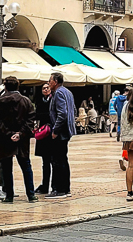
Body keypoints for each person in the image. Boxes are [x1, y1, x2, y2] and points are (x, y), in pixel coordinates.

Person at [0, 76, 37, 204]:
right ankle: (31, 195)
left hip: (4, 139)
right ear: (18, 86)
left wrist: (8, 133)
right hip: (22, 140)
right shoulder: (26, 101)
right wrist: (20, 134)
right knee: (26, 167)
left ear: (5, 87)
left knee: (6, 168)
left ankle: (9, 196)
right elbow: (30, 119)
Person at [48, 70, 76, 199]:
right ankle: (66, 188)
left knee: (57, 160)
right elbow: (73, 110)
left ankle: (59, 189)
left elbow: (62, 113)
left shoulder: (58, 93)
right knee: (63, 159)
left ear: (56, 81)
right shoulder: (68, 92)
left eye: (50, 81)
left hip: (61, 132)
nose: (48, 83)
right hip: (67, 130)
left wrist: (55, 130)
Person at [34, 82, 53, 194]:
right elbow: (37, 115)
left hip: (51, 132)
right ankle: (45, 185)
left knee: (53, 161)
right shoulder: (39, 101)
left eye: (47, 88)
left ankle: (53, 185)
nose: (45, 90)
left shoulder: (53, 100)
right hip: (43, 133)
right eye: (43, 88)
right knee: (45, 162)